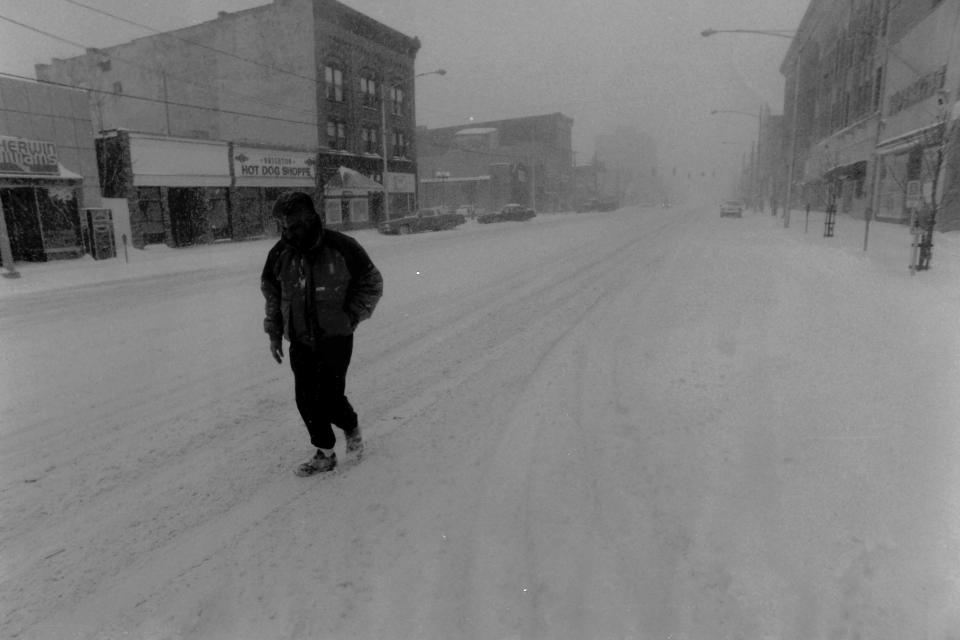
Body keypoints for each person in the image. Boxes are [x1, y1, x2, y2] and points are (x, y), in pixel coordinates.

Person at [261, 191, 383, 476]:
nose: (290, 231)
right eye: (285, 225)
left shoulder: (342, 247)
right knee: (306, 398)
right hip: (301, 340)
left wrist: (349, 317)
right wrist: (274, 333)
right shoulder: (280, 254)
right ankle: (324, 452)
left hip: (336, 339)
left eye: (295, 223)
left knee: (330, 397)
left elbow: (372, 283)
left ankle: (351, 428)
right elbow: (272, 295)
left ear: (311, 218)